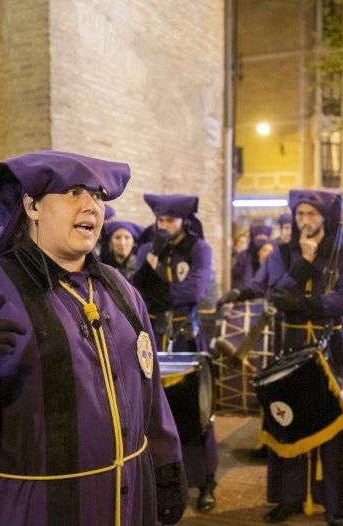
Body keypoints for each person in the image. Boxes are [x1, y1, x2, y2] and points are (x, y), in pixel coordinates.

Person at [0, 151, 186, 526]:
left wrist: (165, 461)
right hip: (19, 509)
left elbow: (149, 385)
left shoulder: (122, 290)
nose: (92, 206)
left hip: (124, 505)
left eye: (97, 195)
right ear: (32, 206)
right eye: (74, 192)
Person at [219, 189, 343, 525]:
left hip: (329, 344)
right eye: (300, 215)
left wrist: (303, 303)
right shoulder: (283, 253)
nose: (305, 222)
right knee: (289, 419)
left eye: (312, 215)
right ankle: (288, 497)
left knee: (334, 425)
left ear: (324, 218)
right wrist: (303, 265)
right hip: (292, 340)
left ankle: (335, 504)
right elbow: (275, 291)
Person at [131, 193, 219, 513]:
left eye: (169, 220)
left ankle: (205, 481)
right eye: (160, 219)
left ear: (184, 220)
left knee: (195, 412)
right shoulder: (146, 248)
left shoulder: (199, 248)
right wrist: (152, 266)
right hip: (154, 337)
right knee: (156, 413)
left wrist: (157, 287)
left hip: (185, 338)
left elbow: (194, 291)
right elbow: (137, 292)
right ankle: (162, 480)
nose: (163, 225)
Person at [231, 224, 274, 289]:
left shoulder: (273, 255)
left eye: (264, 237)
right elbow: (236, 276)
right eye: (258, 237)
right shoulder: (244, 255)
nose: (261, 240)